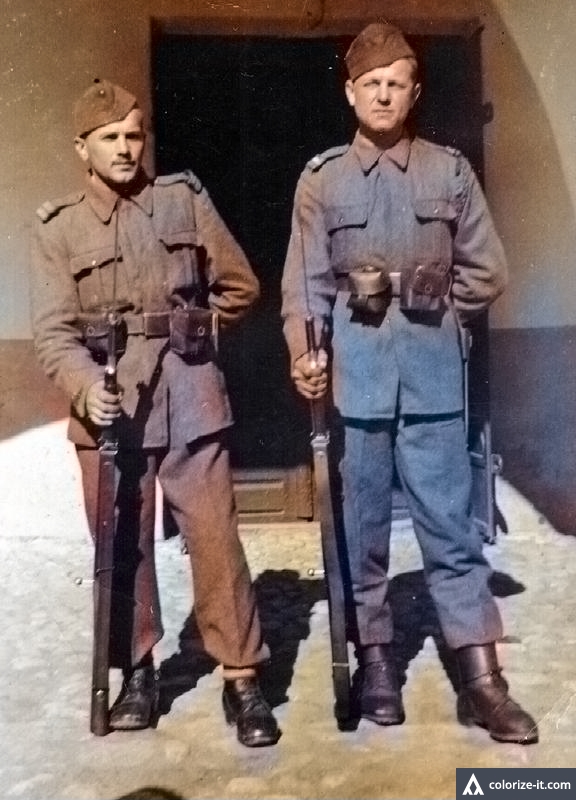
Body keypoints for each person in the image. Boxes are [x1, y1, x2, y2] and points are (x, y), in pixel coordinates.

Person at [281, 22, 538, 744]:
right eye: (371, 84)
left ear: (414, 92)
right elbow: (304, 287)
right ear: (350, 93)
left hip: (432, 379)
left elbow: (488, 269)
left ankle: (481, 678)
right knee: (360, 530)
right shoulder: (322, 180)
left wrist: (438, 309)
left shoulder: (448, 172)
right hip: (356, 381)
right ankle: (376, 663)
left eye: (397, 83)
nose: (384, 95)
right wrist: (307, 353)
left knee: (450, 529)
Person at [30, 79, 280, 748]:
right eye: (109, 138)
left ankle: (242, 678)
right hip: (111, 406)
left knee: (216, 540)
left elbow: (240, 285)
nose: (125, 148)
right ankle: (138, 673)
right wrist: (86, 386)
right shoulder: (59, 228)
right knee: (121, 544)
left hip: (190, 394)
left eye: (133, 135)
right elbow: (53, 331)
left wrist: (199, 333)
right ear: (82, 148)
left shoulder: (182, 199)